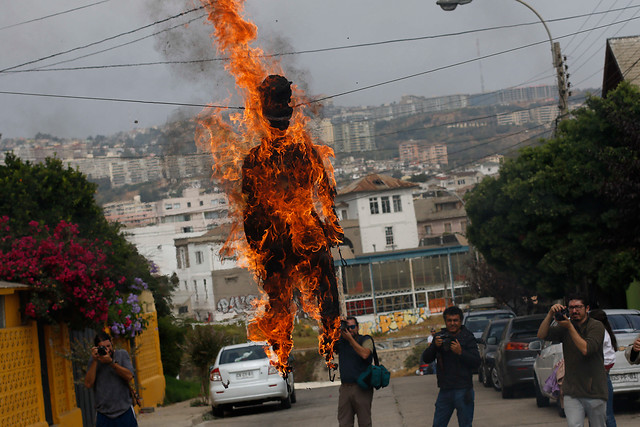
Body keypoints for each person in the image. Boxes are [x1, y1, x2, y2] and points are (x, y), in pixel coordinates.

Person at [242, 74, 343, 372]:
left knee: (279, 294)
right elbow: (327, 194)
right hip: (301, 233)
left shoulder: (256, 158)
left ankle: (286, 347)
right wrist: (330, 227)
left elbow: (251, 208)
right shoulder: (305, 151)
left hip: (278, 240)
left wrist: (257, 247)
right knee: (322, 274)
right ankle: (328, 333)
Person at [537, 295, 607, 427]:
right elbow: (541, 335)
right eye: (571, 308)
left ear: (587, 308)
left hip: (594, 389)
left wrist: (569, 327)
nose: (574, 311)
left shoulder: (596, 326)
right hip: (572, 390)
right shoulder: (564, 327)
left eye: (578, 307)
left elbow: (586, 349)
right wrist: (550, 314)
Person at [422, 306, 480, 427]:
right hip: (445, 390)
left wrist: (461, 352)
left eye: (455, 320)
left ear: (460, 321)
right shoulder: (440, 337)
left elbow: (476, 362)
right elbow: (426, 358)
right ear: (445, 321)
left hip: (463, 390)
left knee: (465, 424)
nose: (452, 323)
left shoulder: (468, 337)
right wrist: (435, 346)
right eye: (449, 320)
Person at [84, 331, 138, 427]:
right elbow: (88, 384)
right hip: (103, 414)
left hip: (124, 411)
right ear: (97, 348)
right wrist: (95, 361)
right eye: (103, 347)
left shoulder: (122, 355)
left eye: (108, 346)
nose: (107, 350)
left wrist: (111, 363)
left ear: (112, 342)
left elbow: (129, 376)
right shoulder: (94, 360)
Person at [336, 316, 374, 427]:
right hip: (345, 389)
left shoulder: (365, 339)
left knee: (364, 423)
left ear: (357, 327)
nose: (350, 329)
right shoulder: (341, 343)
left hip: (362, 388)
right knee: (344, 423)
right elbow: (323, 337)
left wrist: (350, 340)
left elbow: (365, 354)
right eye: (347, 327)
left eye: (352, 327)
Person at [589, 309, 617, 427]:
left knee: (601, 414)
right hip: (603, 375)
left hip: (598, 376)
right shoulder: (607, 332)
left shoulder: (599, 333)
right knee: (605, 413)